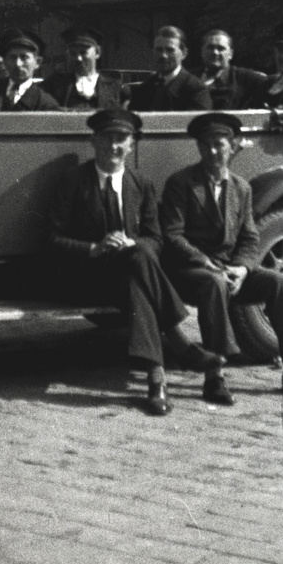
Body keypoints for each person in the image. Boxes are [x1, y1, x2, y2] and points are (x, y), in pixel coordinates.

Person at [48, 108, 224, 416]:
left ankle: (157, 381)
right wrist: (93, 247)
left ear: (132, 146)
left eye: (121, 140)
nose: (114, 147)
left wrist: (132, 244)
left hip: (129, 280)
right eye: (107, 139)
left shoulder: (141, 184)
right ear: (94, 141)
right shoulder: (74, 181)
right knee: (140, 265)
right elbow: (51, 239)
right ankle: (180, 343)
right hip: (87, 279)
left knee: (139, 269)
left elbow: (155, 239)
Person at [160, 112, 283, 403]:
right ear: (199, 149)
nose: (213, 151)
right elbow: (173, 235)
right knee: (213, 282)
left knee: (278, 282)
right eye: (206, 145)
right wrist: (205, 262)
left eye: (220, 144)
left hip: (230, 271)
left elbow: (250, 238)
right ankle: (214, 376)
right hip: (190, 271)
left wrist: (241, 268)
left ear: (233, 146)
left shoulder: (241, 188)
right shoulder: (182, 183)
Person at [0, 27, 62, 111]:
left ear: (37, 62)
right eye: (12, 57)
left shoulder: (45, 104)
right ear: (4, 62)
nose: (18, 64)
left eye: (24, 57)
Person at [125, 26, 212, 112]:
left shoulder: (196, 90)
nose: (163, 55)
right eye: (159, 49)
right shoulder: (147, 86)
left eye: (170, 50)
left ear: (184, 53)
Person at [42, 26, 123, 111]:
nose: (78, 59)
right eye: (73, 53)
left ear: (97, 52)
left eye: (84, 53)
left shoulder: (116, 87)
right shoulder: (53, 85)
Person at [191, 28, 267, 110]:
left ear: (231, 54)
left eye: (221, 48)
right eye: (210, 47)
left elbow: (272, 84)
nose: (215, 52)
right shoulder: (190, 79)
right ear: (202, 51)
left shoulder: (245, 78)